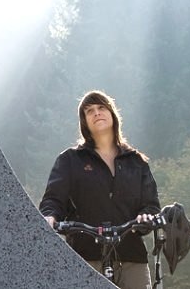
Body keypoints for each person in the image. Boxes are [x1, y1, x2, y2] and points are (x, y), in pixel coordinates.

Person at [40, 90, 160, 289]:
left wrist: (146, 217)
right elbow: (53, 199)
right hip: (85, 257)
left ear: (112, 114)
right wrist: (49, 216)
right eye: (89, 111)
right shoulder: (70, 160)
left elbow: (151, 205)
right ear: (84, 122)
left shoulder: (136, 161)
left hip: (132, 257)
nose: (96, 113)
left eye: (101, 107)